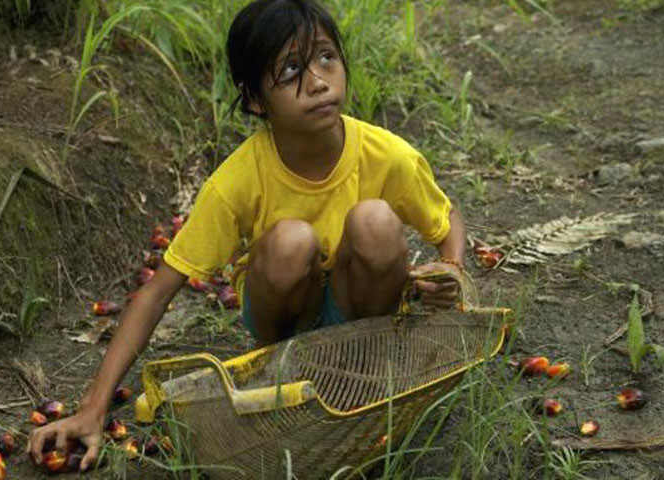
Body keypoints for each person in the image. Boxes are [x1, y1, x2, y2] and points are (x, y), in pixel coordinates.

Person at [27, 0, 467, 472]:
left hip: (357, 317)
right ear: (255, 99)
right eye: (292, 68)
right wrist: (93, 408)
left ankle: (365, 368)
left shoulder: (386, 154)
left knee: (377, 221)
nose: (318, 81)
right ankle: (281, 372)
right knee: (290, 241)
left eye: (326, 57)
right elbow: (157, 293)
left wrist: (451, 269)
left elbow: (445, 220)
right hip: (284, 326)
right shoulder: (238, 179)